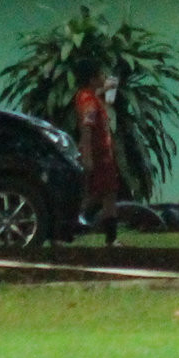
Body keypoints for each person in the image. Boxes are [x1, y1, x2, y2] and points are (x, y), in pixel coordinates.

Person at [73, 60, 121, 247]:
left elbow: (109, 91)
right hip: (99, 155)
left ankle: (110, 236)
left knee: (104, 193)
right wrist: (88, 155)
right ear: (93, 79)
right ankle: (108, 236)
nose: (104, 77)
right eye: (101, 75)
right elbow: (87, 127)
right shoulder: (89, 101)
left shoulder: (87, 95)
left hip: (102, 154)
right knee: (101, 194)